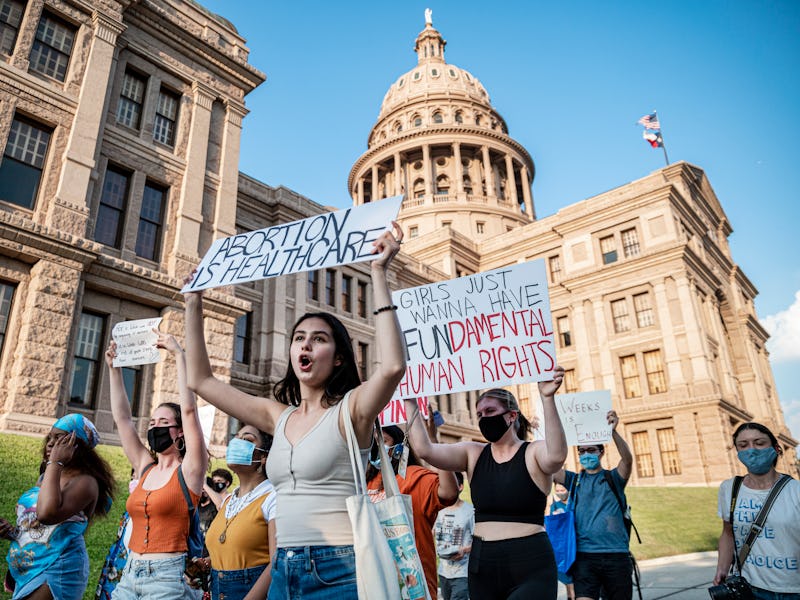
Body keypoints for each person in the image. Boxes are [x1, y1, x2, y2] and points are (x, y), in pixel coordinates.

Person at [183, 222, 405, 599]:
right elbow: (201, 381)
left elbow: (393, 368)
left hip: (339, 566)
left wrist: (379, 274)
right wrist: (193, 302)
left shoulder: (352, 410)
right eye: (299, 338)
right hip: (284, 566)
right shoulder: (277, 415)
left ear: (337, 359)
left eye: (318, 340)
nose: (305, 345)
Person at [403, 375, 568, 600]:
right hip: (484, 564)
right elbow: (425, 450)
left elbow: (556, 456)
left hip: (530, 562)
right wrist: (409, 400)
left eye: (490, 412)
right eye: (479, 414)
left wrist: (547, 398)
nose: (483, 418)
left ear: (511, 416)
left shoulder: (533, 451)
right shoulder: (474, 452)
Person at [105, 332, 208, 600]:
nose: (155, 428)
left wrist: (179, 355)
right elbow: (123, 419)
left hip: (166, 576)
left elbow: (189, 412)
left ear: (180, 432)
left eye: (163, 423)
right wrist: (114, 370)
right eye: (152, 423)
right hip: (129, 573)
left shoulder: (190, 471)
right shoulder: (145, 468)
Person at [0, 413, 114, 600]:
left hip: (59, 565)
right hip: (33, 562)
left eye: (60, 440)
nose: (51, 444)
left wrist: (55, 462)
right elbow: (39, 525)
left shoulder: (86, 482)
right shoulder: (48, 476)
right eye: (50, 438)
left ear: (78, 446)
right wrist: (13, 532)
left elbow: (47, 514)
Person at [366, 424, 459, 599]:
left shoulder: (415, 477)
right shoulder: (367, 482)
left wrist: (435, 446)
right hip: (377, 579)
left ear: (400, 446)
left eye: (384, 441)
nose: (377, 447)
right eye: (373, 442)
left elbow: (449, 492)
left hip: (413, 583)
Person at [713, 422, 800, 600]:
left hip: (793, 589)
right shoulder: (729, 488)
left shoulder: (795, 491)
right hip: (748, 588)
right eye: (743, 445)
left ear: (776, 448)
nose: (751, 450)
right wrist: (722, 567)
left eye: (759, 443)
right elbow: (728, 533)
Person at [553, 410, 634, 600]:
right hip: (585, 557)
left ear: (601, 452)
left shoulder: (613, 478)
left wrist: (613, 431)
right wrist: (541, 435)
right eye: (582, 451)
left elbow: (627, 460)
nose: (586, 454)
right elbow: (551, 468)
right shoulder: (573, 481)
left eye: (591, 450)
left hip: (616, 555)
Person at [199, 425, 277, 600]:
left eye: (247, 440)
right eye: (236, 437)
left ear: (264, 457)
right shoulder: (229, 500)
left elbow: (277, 563)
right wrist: (207, 564)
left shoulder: (273, 498)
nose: (236, 443)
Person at [95, 471, 138, 600]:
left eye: (139, 475)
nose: (134, 479)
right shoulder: (129, 511)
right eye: (133, 475)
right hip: (114, 568)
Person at [433, 471, 473, 600]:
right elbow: (432, 532)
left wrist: (464, 550)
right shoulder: (438, 509)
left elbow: (480, 540)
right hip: (443, 572)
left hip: (462, 574)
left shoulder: (470, 511)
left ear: (460, 487)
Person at [548, 483, 575, 600]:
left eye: (562, 490)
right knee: (567, 581)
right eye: (557, 490)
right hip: (561, 547)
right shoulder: (555, 506)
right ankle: (571, 595)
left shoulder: (574, 503)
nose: (560, 492)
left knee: (573, 583)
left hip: (573, 545)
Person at [198, 469, 233, 537]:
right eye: (214, 481)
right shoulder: (204, 503)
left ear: (227, 483)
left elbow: (220, 505)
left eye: (219, 481)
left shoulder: (230, 499)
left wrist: (205, 485)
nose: (216, 483)